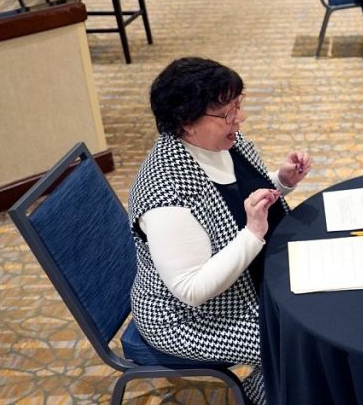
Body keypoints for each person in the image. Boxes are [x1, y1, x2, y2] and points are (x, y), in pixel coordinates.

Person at [128, 57, 312, 405]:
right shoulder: (166, 192)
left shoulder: (227, 142)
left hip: (249, 277)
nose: (238, 119)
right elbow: (191, 289)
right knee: (301, 336)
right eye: (226, 113)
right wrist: (253, 233)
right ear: (186, 122)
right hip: (189, 317)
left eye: (238, 105)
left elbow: (237, 200)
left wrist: (281, 183)